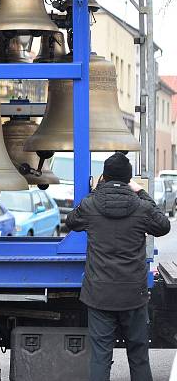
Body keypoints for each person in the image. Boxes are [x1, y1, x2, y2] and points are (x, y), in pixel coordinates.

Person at [66, 152, 171, 381]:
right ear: (128, 179)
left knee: (100, 358)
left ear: (104, 176)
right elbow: (163, 226)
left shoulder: (90, 204)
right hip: (133, 294)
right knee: (139, 356)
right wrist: (141, 191)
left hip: (99, 295)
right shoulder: (141, 207)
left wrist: (95, 191)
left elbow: (71, 222)